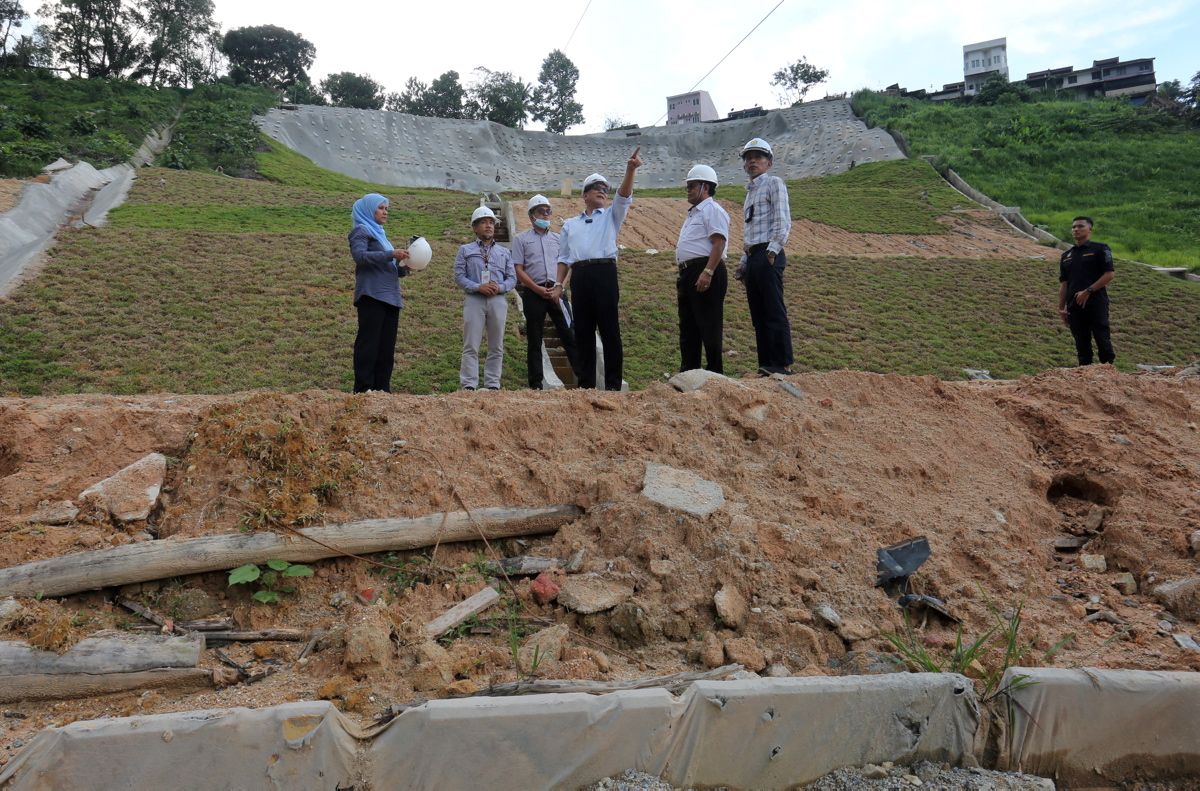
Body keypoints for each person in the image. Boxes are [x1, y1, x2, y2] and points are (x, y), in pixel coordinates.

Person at [558, 146, 643, 390]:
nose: (602, 192)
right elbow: (563, 258)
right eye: (597, 188)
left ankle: (613, 386)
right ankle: (586, 386)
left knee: (610, 331)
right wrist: (558, 284)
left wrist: (630, 169)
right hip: (581, 276)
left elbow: (624, 195)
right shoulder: (571, 225)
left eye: (605, 189)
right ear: (585, 195)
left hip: (605, 274)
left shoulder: (611, 216)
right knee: (583, 332)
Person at [736, 137, 794, 376]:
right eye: (749, 158)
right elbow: (750, 230)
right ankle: (766, 364)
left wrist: (772, 250)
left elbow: (782, 220)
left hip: (768, 253)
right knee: (758, 313)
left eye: (758, 157)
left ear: (769, 162)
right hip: (754, 256)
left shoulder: (774, 183)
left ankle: (781, 363)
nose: (753, 161)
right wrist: (744, 262)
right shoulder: (750, 193)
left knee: (772, 309)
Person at [511, 194, 581, 389]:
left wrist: (560, 286)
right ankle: (535, 384)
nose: (545, 214)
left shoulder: (559, 239)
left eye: (548, 211)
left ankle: (583, 379)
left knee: (570, 333)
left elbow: (567, 264)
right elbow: (519, 269)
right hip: (534, 293)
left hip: (557, 292)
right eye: (541, 211)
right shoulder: (521, 240)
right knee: (534, 338)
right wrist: (536, 288)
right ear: (532, 216)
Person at [349, 193, 410, 392]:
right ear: (369, 209)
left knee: (386, 348)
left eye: (387, 209)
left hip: (391, 298)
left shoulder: (382, 236)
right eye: (381, 208)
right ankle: (364, 389)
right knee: (369, 344)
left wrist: (405, 265)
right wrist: (391, 254)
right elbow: (360, 256)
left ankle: (382, 389)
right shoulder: (361, 230)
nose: (385, 212)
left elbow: (389, 267)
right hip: (372, 295)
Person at [454, 206, 517, 390]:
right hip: (474, 299)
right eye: (483, 222)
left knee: (496, 345)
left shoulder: (504, 252)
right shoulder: (465, 250)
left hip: (498, 300)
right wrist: (477, 287)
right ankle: (468, 385)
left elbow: (512, 277)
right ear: (475, 227)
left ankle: (492, 385)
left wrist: (500, 287)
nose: (488, 226)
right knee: (471, 344)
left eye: (491, 222)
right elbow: (459, 276)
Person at [675, 164, 730, 373]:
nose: (688, 189)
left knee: (709, 324)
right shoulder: (694, 214)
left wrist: (708, 271)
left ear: (705, 187)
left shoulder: (712, 210)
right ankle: (689, 371)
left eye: (692, 185)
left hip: (705, 268)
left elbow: (718, 243)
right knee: (688, 326)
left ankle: (715, 373)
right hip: (688, 271)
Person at [1058, 216, 1116, 366]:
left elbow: (1109, 274)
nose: (1076, 229)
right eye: (1073, 227)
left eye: (1080, 226)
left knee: (1102, 339)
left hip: (1096, 302)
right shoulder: (1066, 256)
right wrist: (1061, 308)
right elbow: (1064, 284)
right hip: (1074, 305)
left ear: (1090, 229)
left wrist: (1088, 291)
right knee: (1081, 344)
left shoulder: (1100, 249)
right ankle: (1085, 376)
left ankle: (1109, 372)